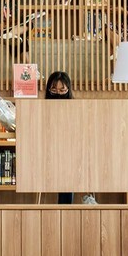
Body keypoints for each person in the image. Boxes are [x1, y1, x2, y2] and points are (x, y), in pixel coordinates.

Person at [44, 73, 97, 205]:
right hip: (49, 153)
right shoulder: (42, 108)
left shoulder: (76, 108)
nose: (58, 94)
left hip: (71, 152)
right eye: (54, 90)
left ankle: (69, 207)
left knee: (69, 166)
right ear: (49, 90)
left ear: (68, 90)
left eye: (62, 90)